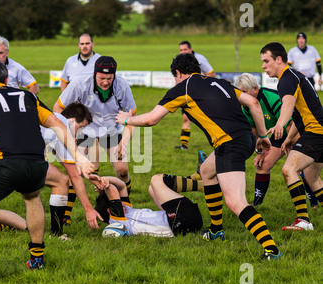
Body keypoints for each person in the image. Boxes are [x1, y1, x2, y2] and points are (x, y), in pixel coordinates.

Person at [116, 53, 282, 260]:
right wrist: (263, 136)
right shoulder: (219, 82)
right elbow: (253, 103)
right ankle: (215, 231)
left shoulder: (182, 88)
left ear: (177, 73)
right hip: (246, 139)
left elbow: (151, 120)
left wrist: (126, 120)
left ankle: (272, 250)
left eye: (174, 77)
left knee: (236, 202)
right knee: (206, 171)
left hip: (229, 144)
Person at [0, 60, 94, 284]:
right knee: (32, 197)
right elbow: (58, 125)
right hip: (36, 162)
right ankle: (36, 259)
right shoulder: (28, 96)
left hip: (2, 162)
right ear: (7, 80)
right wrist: (80, 157)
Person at [261, 42, 323, 231]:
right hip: (317, 130)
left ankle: (303, 221)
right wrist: (289, 139)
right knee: (312, 178)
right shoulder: (294, 76)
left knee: (289, 170)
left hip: (316, 132)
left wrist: (279, 124)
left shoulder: (286, 78)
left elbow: (288, 104)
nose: (263, 66)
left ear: (279, 59)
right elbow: (299, 114)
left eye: (266, 61)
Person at [53, 56, 136, 196]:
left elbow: (132, 119)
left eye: (109, 78)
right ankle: (65, 217)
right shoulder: (79, 83)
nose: (105, 82)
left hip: (111, 130)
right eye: (101, 78)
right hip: (85, 131)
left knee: (123, 170)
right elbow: (57, 109)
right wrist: (68, 134)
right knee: (76, 171)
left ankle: (126, 205)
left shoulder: (122, 86)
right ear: (94, 74)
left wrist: (124, 142)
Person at [235, 73, 318, 208]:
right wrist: (259, 151)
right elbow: (254, 129)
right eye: (240, 93)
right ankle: (257, 203)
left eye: (244, 92)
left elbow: (291, 124)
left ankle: (314, 204)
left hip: (295, 131)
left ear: (255, 89)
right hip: (277, 135)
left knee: (301, 169)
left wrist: (294, 147)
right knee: (262, 165)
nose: (242, 96)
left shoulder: (271, 98)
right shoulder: (246, 105)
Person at [41, 102, 104, 236]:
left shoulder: (51, 118)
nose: (79, 133)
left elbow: (65, 161)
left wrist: (88, 174)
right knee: (62, 181)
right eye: (81, 128)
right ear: (72, 120)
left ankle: (28, 228)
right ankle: (57, 234)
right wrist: (88, 210)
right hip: (20, 160)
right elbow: (74, 176)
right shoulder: (62, 126)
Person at [95, 175, 202, 238]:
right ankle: (201, 184)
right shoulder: (118, 220)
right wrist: (103, 185)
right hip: (182, 222)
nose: (122, 203)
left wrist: (103, 178)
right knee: (156, 180)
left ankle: (196, 178)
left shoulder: (126, 210)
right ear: (110, 210)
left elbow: (122, 186)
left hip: (182, 220)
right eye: (118, 202)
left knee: (152, 188)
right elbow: (112, 190)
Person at [175, 41, 216, 150]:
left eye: (185, 49)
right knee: (185, 118)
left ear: (190, 49)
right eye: (181, 50)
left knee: (206, 119)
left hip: (200, 93)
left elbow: (211, 73)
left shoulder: (200, 59)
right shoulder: (179, 60)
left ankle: (218, 139)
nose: (183, 52)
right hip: (186, 93)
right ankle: (184, 145)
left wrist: (200, 84)